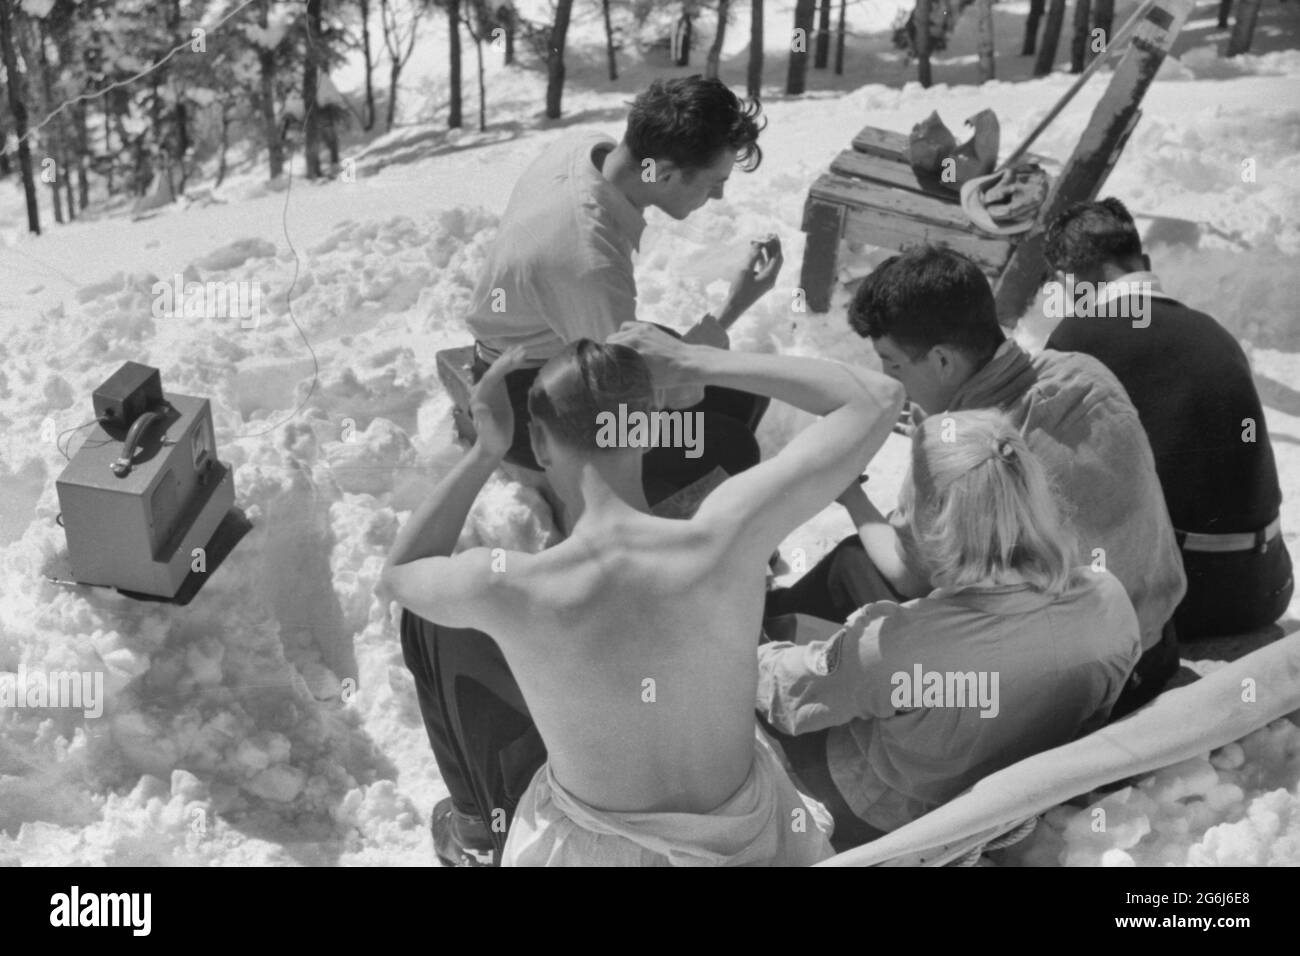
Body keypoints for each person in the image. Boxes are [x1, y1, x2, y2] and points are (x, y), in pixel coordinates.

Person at [405, 75, 784, 863]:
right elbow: (636, 386)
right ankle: (662, 567)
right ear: (665, 173)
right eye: (712, 182)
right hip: (536, 400)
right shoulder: (587, 256)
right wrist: (736, 308)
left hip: (537, 350)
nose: (714, 198)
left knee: (722, 402)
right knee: (731, 441)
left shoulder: (582, 155)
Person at [380, 332, 905, 865]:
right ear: (648, 427)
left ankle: (472, 829)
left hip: (598, 853)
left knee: (437, 643)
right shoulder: (729, 536)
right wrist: (694, 360)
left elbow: (401, 572)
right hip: (748, 838)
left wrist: (486, 450)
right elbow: (876, 398)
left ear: (539, 444)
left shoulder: (514, 588)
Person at [767, 245, 1186, 719]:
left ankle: (756, 639)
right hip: (1154, 646)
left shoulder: (962, 447)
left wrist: (850, 493)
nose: (889, 379)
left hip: (1075, 691)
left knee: (853, 561)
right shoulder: (1085, 373)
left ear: (943, 361)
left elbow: (907, 574)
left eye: (894, 363)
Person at [757, 409, 1142, 850]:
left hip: (882, 813)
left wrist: (742, 629)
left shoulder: (893, 646)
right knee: (854, 560)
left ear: (944, 535)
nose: (897, 519)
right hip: (996, 790)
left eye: (906, 507)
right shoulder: (1108, 601)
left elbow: (780, 695)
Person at [1042, 198, 1293, 639]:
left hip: (1189, 599)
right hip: (1265, 584)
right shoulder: (1213, 330)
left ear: (1072, 282)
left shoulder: (1078, 336)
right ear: (1146, 262)